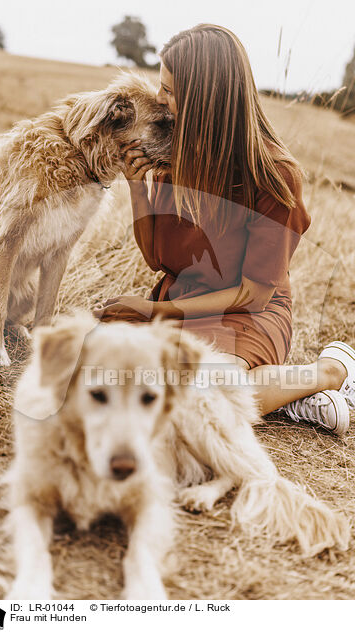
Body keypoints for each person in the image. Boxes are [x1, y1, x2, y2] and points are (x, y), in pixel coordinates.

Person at [95, 24, 355, 435]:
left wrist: (156, 311)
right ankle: (290, 400)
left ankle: (328, 373)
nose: (159, 101)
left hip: (247, 313)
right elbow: (156, 259)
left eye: (169, 91)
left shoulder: (275, 175)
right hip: (184, 300)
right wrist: (136, 187)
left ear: (205, 100)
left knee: (207, 396)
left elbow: (253, 294)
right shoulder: (172, 153)